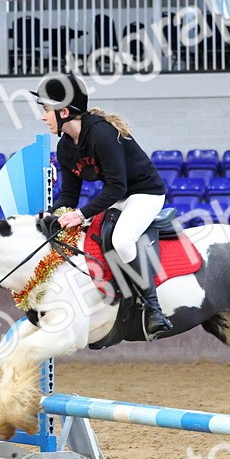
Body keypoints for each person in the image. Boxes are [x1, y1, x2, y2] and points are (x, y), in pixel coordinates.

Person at [32, 72, 172, 339]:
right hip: (119, 199)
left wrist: (81, 214)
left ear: (64, 112)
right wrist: (53, 214)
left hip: (145, 194)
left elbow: (116, 187)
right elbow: (69, 196)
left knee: (121, 240)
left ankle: (154, 309)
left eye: (47, 110)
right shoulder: (65, 147)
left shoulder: (101, 134)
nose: (43, 116)